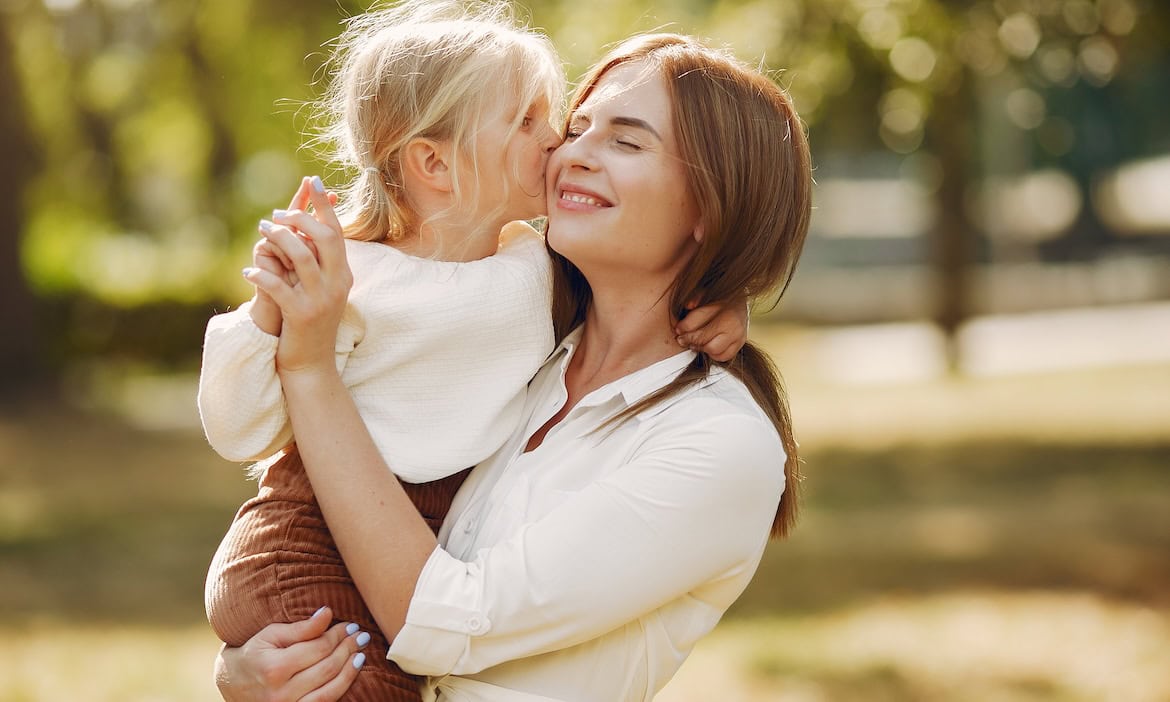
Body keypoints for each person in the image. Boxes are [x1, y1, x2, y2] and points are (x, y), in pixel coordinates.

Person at [217, 30, 810, 702]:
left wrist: (311, 370)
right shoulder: (507, 345)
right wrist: (249, 670)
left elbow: (445, 625)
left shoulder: (718, 444)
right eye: (577, 126)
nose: (573, 151)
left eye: (626, 140)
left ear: (712, 205)